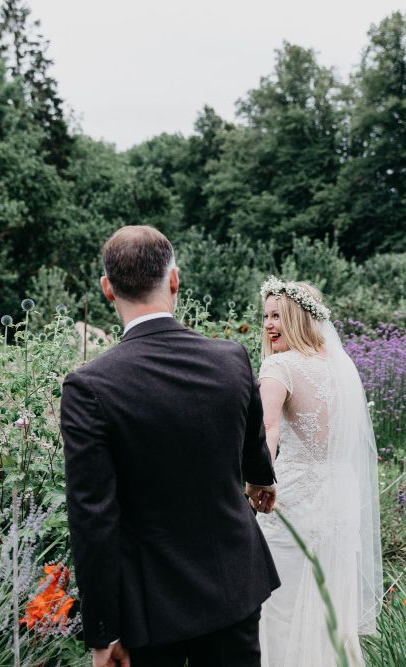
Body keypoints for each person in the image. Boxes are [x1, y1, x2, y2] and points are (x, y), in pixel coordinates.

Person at [60, 225, 280, 667]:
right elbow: (251, 443)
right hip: (233, 588)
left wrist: (103, 631)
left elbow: (93, 516)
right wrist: (261, 479)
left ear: (107, 289)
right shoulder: (231, 358)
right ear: (174, 280)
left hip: (150, 608)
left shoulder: (89, 386)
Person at [256, 277, 382, 667]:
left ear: (298, 317)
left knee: (281, 600)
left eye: (278, 315)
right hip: (339, 498)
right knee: (329, 597)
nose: (268, 325)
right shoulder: (341, 366)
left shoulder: (279, 366)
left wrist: (257, 479)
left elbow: (268, 429)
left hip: (291, 499)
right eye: (266, 316)